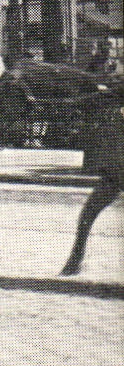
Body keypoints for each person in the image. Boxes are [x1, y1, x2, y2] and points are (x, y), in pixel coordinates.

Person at [60, 81, 124, 276]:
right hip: (116, 171)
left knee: (89, 213)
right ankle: (76, 259)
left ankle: (75, 260)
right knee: (88, 213)